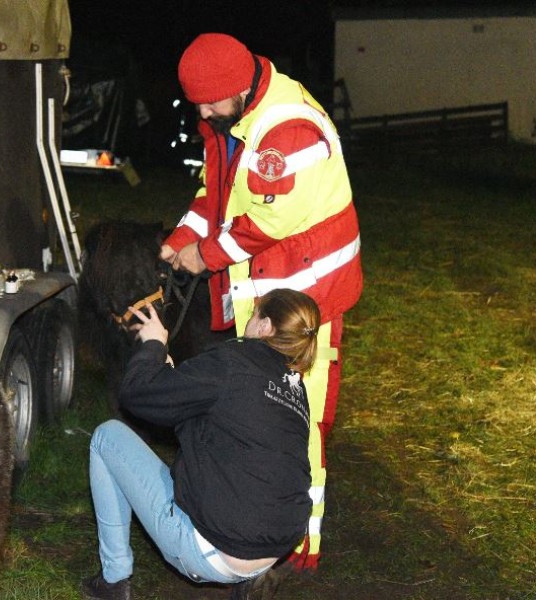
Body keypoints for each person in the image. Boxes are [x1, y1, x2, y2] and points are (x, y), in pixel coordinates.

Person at [159, 32, 363, 572]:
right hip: (272, 296)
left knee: (302, 421)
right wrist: (182, 237)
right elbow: (216, 196)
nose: (202, 112)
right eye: (196, 101)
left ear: (240, 89)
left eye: (209, 101)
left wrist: (203, 256)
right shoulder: (231, 122)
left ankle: (302, 547)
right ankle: (265, 520)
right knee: (265, 412)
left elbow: (267, 222)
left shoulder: (285, 130)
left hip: (307, 303)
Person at [81, 289, 320, 600]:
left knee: (106, 437)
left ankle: (113, 582)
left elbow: (138, 393)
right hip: (274, 548)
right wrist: (167, 375)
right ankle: (251, 578)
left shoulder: (233, 359)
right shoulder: (295, 390)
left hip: (213, 551)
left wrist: (153, 344)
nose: (248, 323)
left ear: (266, 327)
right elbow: (221, 416)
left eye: (254, 316)